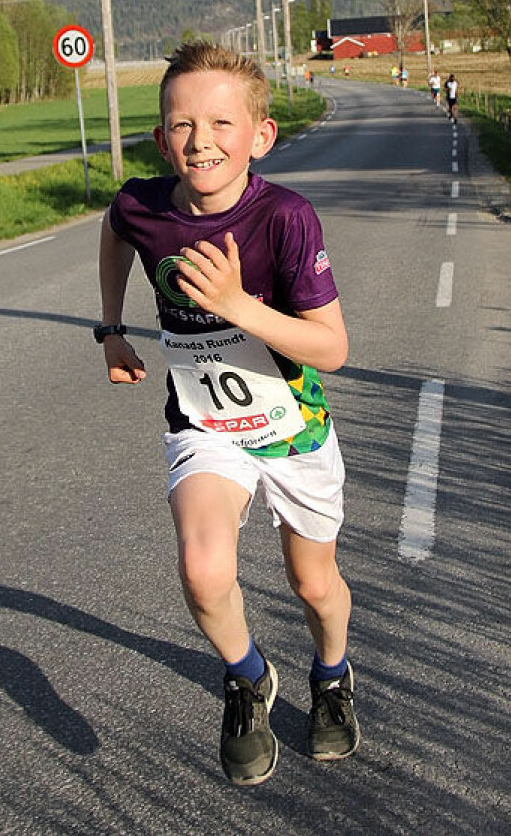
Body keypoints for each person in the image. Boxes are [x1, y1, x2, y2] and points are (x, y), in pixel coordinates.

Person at [96, 40, 359, 786]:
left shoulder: (285, 218)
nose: (200, 141)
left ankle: (332, 675)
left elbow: (332, 347)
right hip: (205, 425)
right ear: (161, 139)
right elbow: (115, 229)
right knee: (203, 570)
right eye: (182, 125)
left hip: (292, 428)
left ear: (260, 136)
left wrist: (240, 307)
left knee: (314, 585)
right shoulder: (144, 206)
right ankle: (247, 677)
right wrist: (110, 327)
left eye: (220, 123)